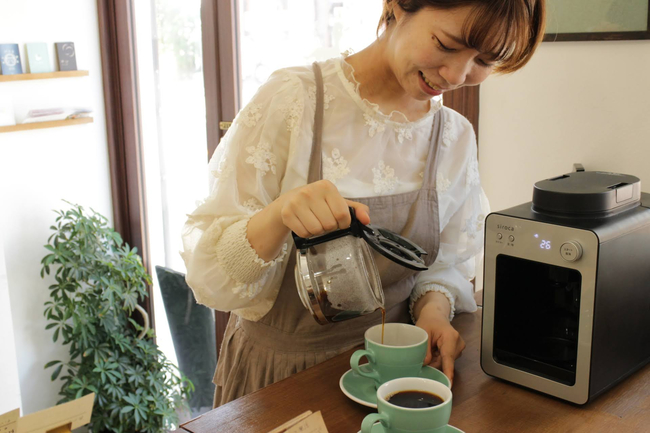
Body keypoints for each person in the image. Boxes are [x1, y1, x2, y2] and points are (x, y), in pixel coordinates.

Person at [181, 0, 546, 408]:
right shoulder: (294, 101)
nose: (458, 75)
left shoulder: (453, 136)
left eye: (484, 60)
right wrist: (280, 214)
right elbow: (208, 272)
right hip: (282, 379)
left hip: (397, 377)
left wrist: (433, 312)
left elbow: (444, 263)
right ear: (396, 6)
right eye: (445, 44)